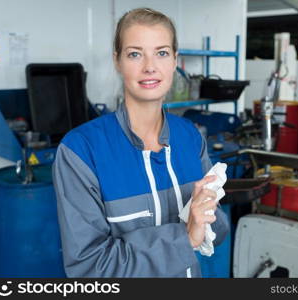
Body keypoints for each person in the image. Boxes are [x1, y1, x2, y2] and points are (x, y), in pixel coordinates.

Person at [52, 8, 229, 278]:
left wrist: (206, 220)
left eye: (161, 53)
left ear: (174, 61)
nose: (150, 66)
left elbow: (218, 231)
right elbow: (89, 269)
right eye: (135, 54)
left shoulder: (190, 137)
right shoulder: (80, 150)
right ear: (117, 61)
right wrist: (185, 237)